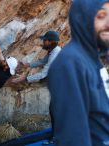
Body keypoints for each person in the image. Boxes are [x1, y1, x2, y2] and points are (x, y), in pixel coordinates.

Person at [47, 0, 109, 146]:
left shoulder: (92, 58)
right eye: (101, 16)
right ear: (83, 18)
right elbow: (73, 137)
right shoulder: (70, 63)